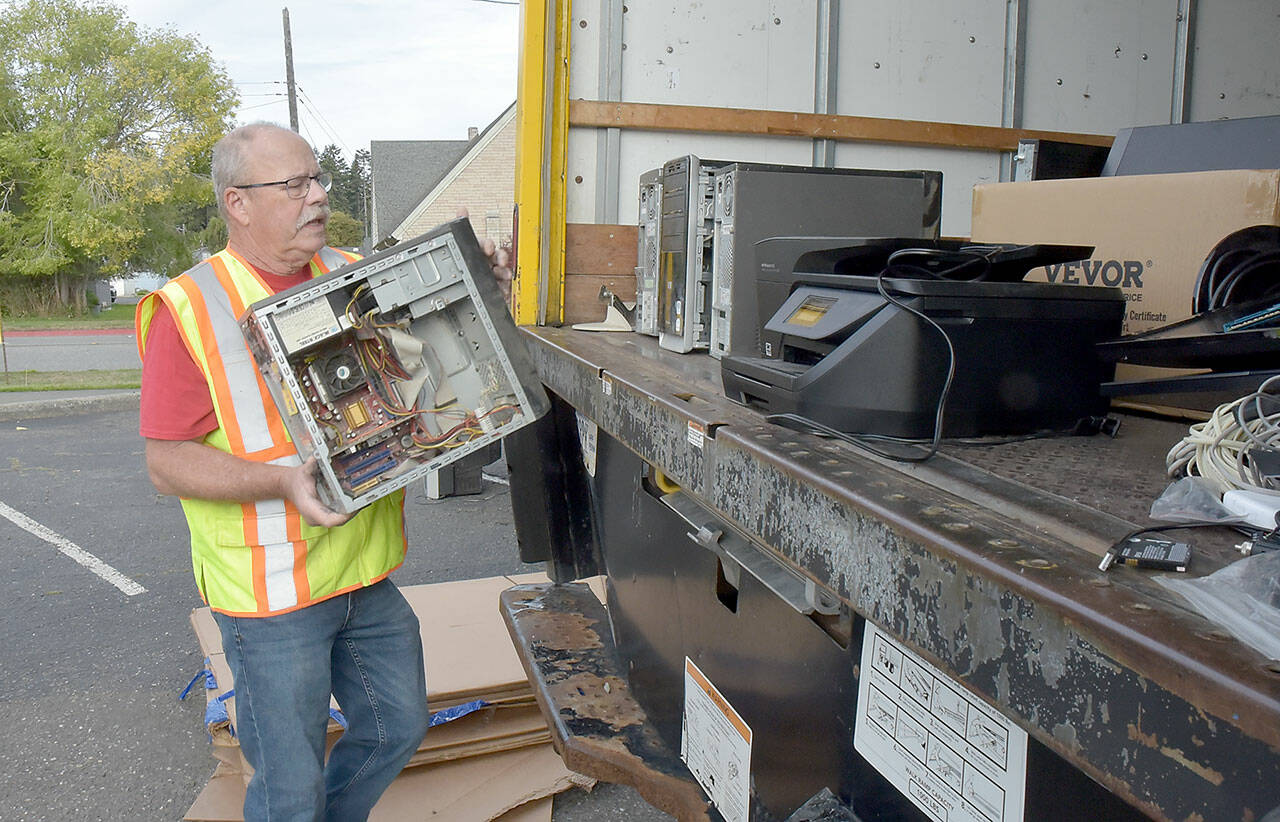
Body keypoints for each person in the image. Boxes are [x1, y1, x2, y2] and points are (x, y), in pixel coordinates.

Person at [136, 122, 509, 821]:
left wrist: (480, 290)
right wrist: (281, 480)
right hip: (270, 595)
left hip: (361, 576)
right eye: (296, 185)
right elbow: (166, 462)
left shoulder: (348, 273)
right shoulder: (191, 308)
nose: (318, 196)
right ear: (237, 204)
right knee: (288, 784)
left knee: (397, 728)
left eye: (318, 180)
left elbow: (426, 358)